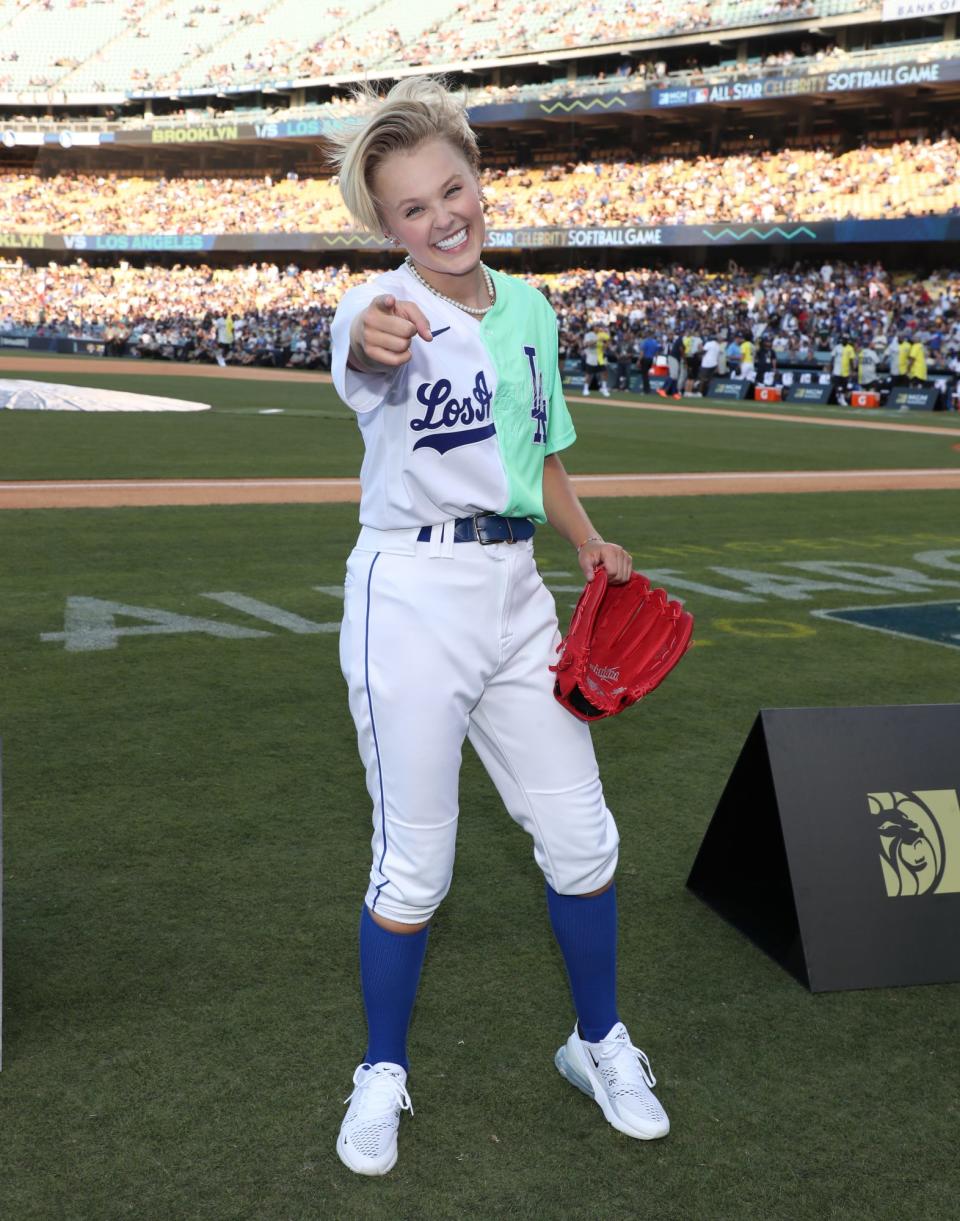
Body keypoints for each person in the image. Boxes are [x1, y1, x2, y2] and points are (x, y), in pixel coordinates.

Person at [326, 77, 669, 1179]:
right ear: (387, 229)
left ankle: (598, 1041)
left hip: (518, 591)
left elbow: (544, 455)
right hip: (410, 598)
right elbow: (364, 352)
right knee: (416, 865)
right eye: (413, 209)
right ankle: (382, 1069)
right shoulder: (382, 309)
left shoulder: (531, 312)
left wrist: (586, 544)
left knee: (583, 839)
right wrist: (374, 336)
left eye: (453, 189)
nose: (442, 217)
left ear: (479, 180)